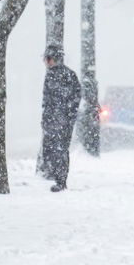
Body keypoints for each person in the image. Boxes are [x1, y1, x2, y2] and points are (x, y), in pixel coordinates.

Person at [40, 45, 82, 192]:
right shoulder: (53, 75)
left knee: (59, 150)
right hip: (54, 120)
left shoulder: (66, 75)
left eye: (47, 58)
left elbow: (74, 97)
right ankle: (56, 176)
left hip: (61, 120)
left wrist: (67, 115)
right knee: (54, 149)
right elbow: (47, 101)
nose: (46, 61)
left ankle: (60, 180)